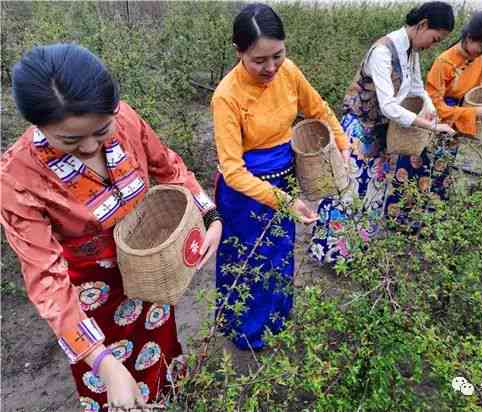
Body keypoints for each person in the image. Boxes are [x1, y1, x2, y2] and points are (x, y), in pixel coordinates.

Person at [0, 43, 223, 411]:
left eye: (101, 130)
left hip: (151, 267)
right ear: (38, 125)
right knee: (115, 387)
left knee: (160, 346)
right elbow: (47, 281)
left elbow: (167, 166)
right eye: (70, 140)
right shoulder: (18, 178)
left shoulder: (127, 120)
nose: (90, 146)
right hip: (92, 299)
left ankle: (167, 396)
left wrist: (209, 216)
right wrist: (102, 362)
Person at [212, 3, 350, 351]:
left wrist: (342, 142)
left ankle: (277, 318)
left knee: (280, 253)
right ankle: (247, 331)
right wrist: (284, 200)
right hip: (245, 194)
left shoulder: (288, 72)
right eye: (259, 60)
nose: (271, 67)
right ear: (238, 51)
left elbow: (317, 108)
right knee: (249, 261)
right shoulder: (227, 96)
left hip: (284, 179)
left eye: (278, 55)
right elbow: (232, 169)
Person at [309, 1, 457, 265]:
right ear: (422, 25)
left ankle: (355, 254)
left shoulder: (411, 50)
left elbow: (415, 85)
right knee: (347, 192)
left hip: (382, 132)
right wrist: (430, 126)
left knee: (374, 194)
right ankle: (330, 254)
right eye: (435, 38)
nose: (433, 45)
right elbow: (388, 106)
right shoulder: (383, 51)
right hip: (359, 130)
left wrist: (430, 106)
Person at [426, 10, 482, 137]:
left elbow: (480, 87)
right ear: (469, 37)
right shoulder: (444, 62)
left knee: (448, 155)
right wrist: (472, 112)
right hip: (436, 123)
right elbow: (433, 104)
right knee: (429, 155)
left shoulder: (477, 58)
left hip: (456, 120)